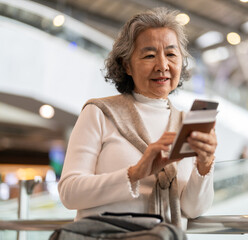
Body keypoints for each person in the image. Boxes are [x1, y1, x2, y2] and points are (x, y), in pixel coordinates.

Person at [58, 7, 217, 230]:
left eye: (171, 54)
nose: (163, 66)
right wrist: (134, 174)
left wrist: (204, 164)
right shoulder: (99, 113)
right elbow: (69, 193)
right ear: (127, 65)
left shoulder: (186, 124)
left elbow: (193, 209)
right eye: (150, 55)